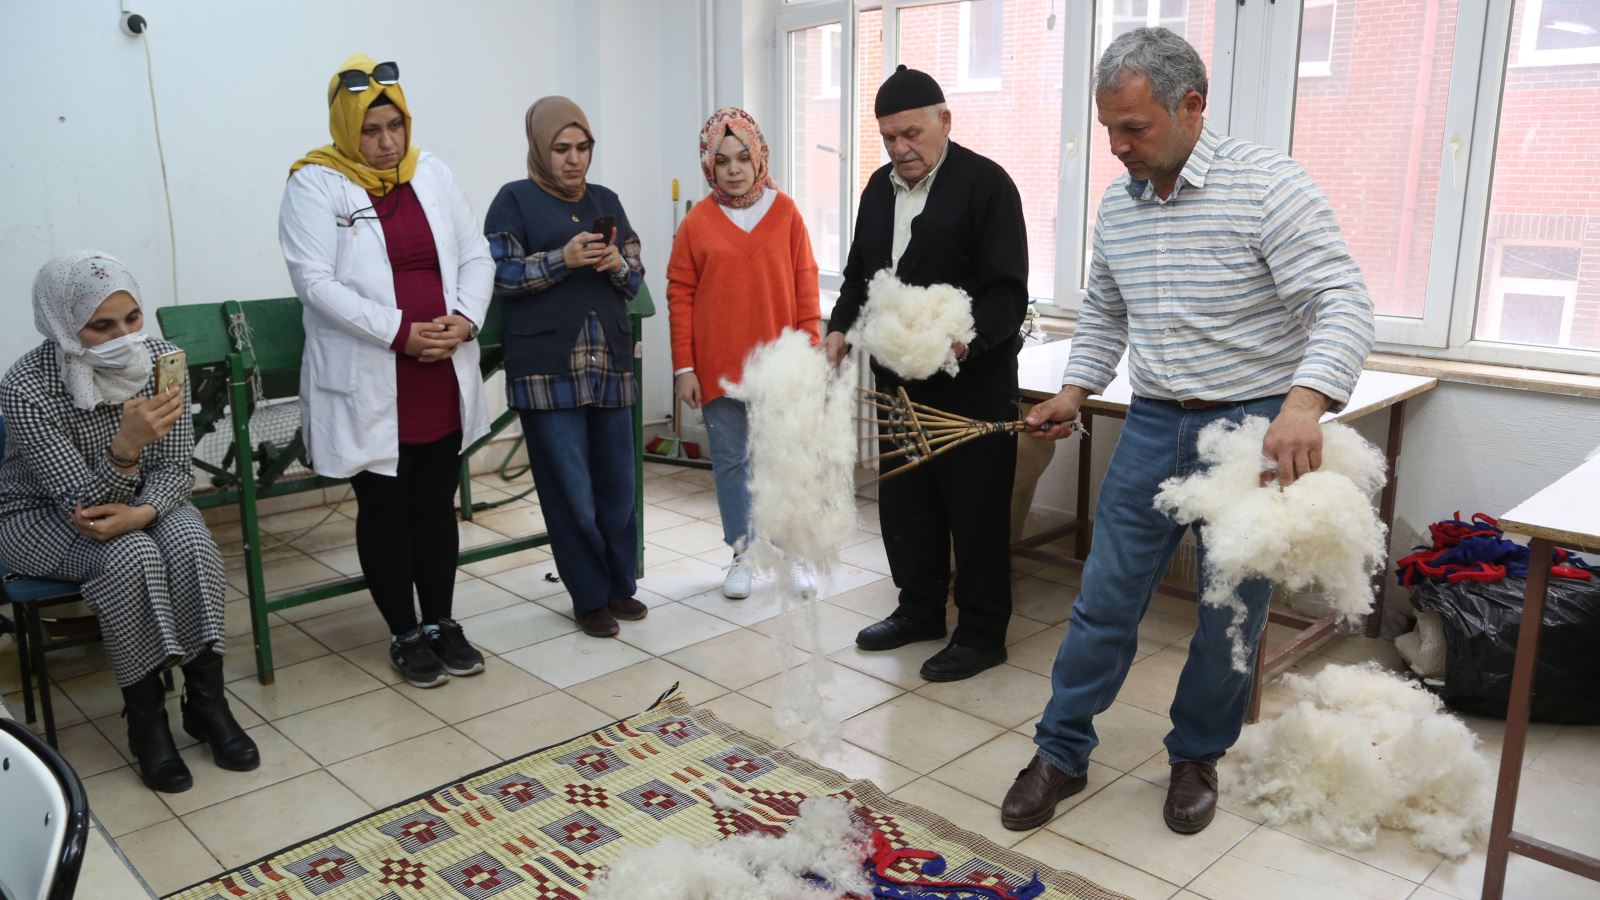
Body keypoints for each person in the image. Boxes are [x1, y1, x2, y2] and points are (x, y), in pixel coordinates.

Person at [1002, 28, 1374, 835]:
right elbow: (1106, 312)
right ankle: (1060, 750)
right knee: (1104, 600)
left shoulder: (1269, 187)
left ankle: (1196, 754)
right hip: (1151, 423)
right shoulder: (1120, 205)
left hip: (1250, 430)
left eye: (1133, 128)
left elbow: (1342, 301)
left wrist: (1304, 404)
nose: (1117, 147)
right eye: (1109, 129)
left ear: (1192, 105)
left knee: (1230, 611)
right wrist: (1075, 390)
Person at [0, 252, 258, 793]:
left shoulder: (160, 360)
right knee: (130, 554)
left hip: (140, 502)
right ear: (62, 324)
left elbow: (176, 469)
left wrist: (144, 511)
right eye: (102, 326)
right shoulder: (25, 386)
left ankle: (207, 705)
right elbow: (84, 507)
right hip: (37, 517)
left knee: (190, 540)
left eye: (132, 318)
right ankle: (147, 723)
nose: (124, 337)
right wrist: (124, 448)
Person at [279, 55, 493, 689]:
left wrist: (465, 319)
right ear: (347, 129)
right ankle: (404, 631)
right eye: (370, 130)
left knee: (435, 502)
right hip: (373, 372)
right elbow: (314, 282)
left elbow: (476, 255)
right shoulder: (314, 184)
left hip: (439, 369)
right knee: (386, 507)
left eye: (394, 125)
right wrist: (400, 332)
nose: (386, 142)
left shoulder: (431, 172)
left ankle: (441, 622)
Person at [825, 66, 1029, 683]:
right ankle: (918, 609)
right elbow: (859, 276)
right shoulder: (877, 189)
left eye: (911, 133)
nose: (900, 148)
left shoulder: (987, 185)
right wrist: (839, 329)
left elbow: (1006, 291)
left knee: (975, 510)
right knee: (907, 502)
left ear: (944, 121)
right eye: (888, 137)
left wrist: (967, 341)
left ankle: (982, 633)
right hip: (897, 381)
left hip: (972, 383)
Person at [484, 96, 648, 639]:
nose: (574, 159)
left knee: (618, 488)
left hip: (609, 365)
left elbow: (635, 277)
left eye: (583, 147)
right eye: (561, 149)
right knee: (570, 491)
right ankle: (589, 596)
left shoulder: (607, 200)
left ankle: (619, 585)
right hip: (546, 371)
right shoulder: (513, 200)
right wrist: (563, 259)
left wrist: (616, 262)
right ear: (539, 148)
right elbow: (499, 275)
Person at [667, 107, 822, 600]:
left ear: (759, 157)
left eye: (742, 158)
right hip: (719, 369)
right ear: (708, 165)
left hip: (781, 369)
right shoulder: (697, 222)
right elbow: (679, 294)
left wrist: (809, 353)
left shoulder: (786, 213)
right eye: (722, 160)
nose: (733, 169)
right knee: (731, 463)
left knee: (785, 461)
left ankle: (794, 553)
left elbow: (806, 287)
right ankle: (743, 554)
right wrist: (684, 366)